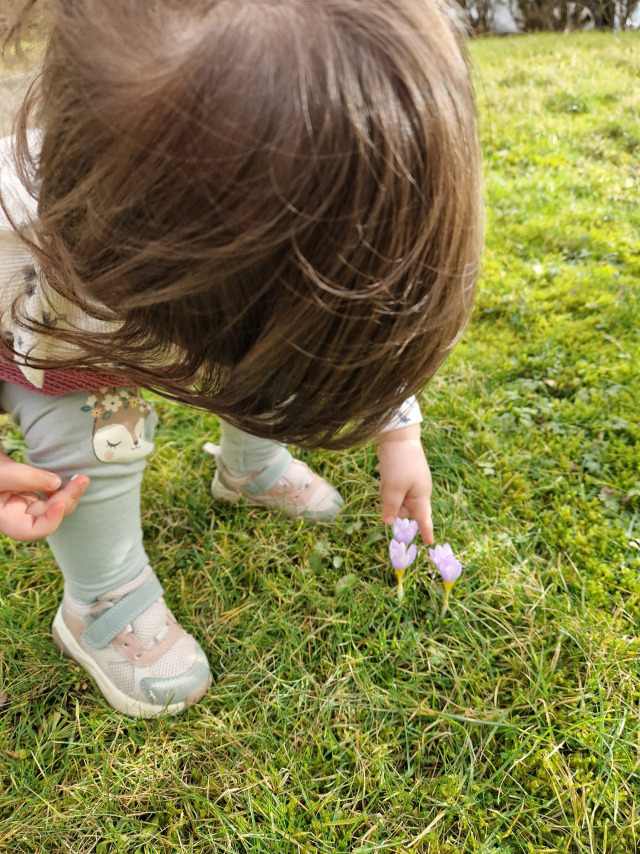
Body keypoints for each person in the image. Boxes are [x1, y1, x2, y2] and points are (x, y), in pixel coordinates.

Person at [0, 0, 483, 717]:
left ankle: (250, 467)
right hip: (59, 344)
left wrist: (398, 427)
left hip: (188, 300)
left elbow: (346, 319)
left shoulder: (321, 234)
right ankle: (106, 591)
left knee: (263, 355)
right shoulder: (15, 227)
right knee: (103, 425)